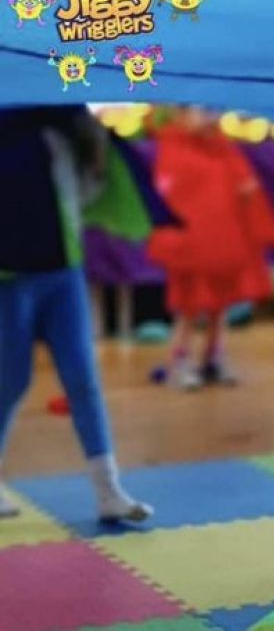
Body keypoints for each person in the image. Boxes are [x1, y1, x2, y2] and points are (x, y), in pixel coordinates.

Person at [0, 105, 153, 522]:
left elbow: (83, 190)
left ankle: (108, 490)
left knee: (83, 379)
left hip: (62, 272)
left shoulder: (59, 124)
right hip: (10, 280)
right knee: (11, 380)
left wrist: (95, 148)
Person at [147, 106, 274, 390]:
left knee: (220, 305)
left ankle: (213, 357)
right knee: (188, 308)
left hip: (225, 244)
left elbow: (242, 186)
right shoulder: (172, 149)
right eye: (199, 110)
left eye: (210, 110)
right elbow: (173, 197)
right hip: (192, 248)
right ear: (179, 115)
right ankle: (178, 361)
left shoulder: (222, 148)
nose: (209, 116)